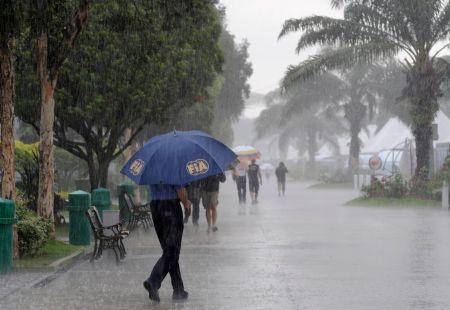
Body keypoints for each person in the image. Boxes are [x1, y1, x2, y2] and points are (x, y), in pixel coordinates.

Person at [143, 184, 191, 303]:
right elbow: (180, 189)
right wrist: (186, 203)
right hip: (170, 206)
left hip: (155, 206)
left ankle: (178, 289)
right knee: (172, 250)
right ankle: (153, 281)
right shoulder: (173, 166)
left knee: (169, 251)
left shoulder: (153, 167)